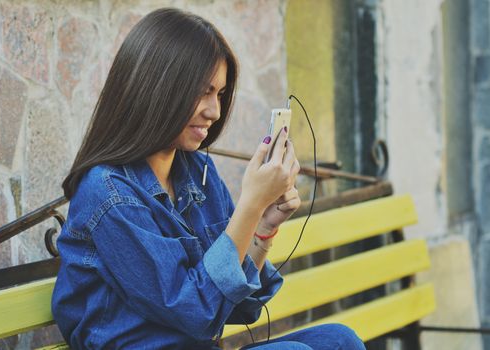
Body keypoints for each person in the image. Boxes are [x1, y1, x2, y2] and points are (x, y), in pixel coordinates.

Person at [52, 8, 366, 350]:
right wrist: (251, 202)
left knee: (339, 341)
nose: (214, 111)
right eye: (202, 92)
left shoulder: (196, 176)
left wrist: (262, 227)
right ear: (155, 88)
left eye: (219, 93)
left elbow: (240, 306)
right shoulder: (109, 193)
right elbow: (197, 311)